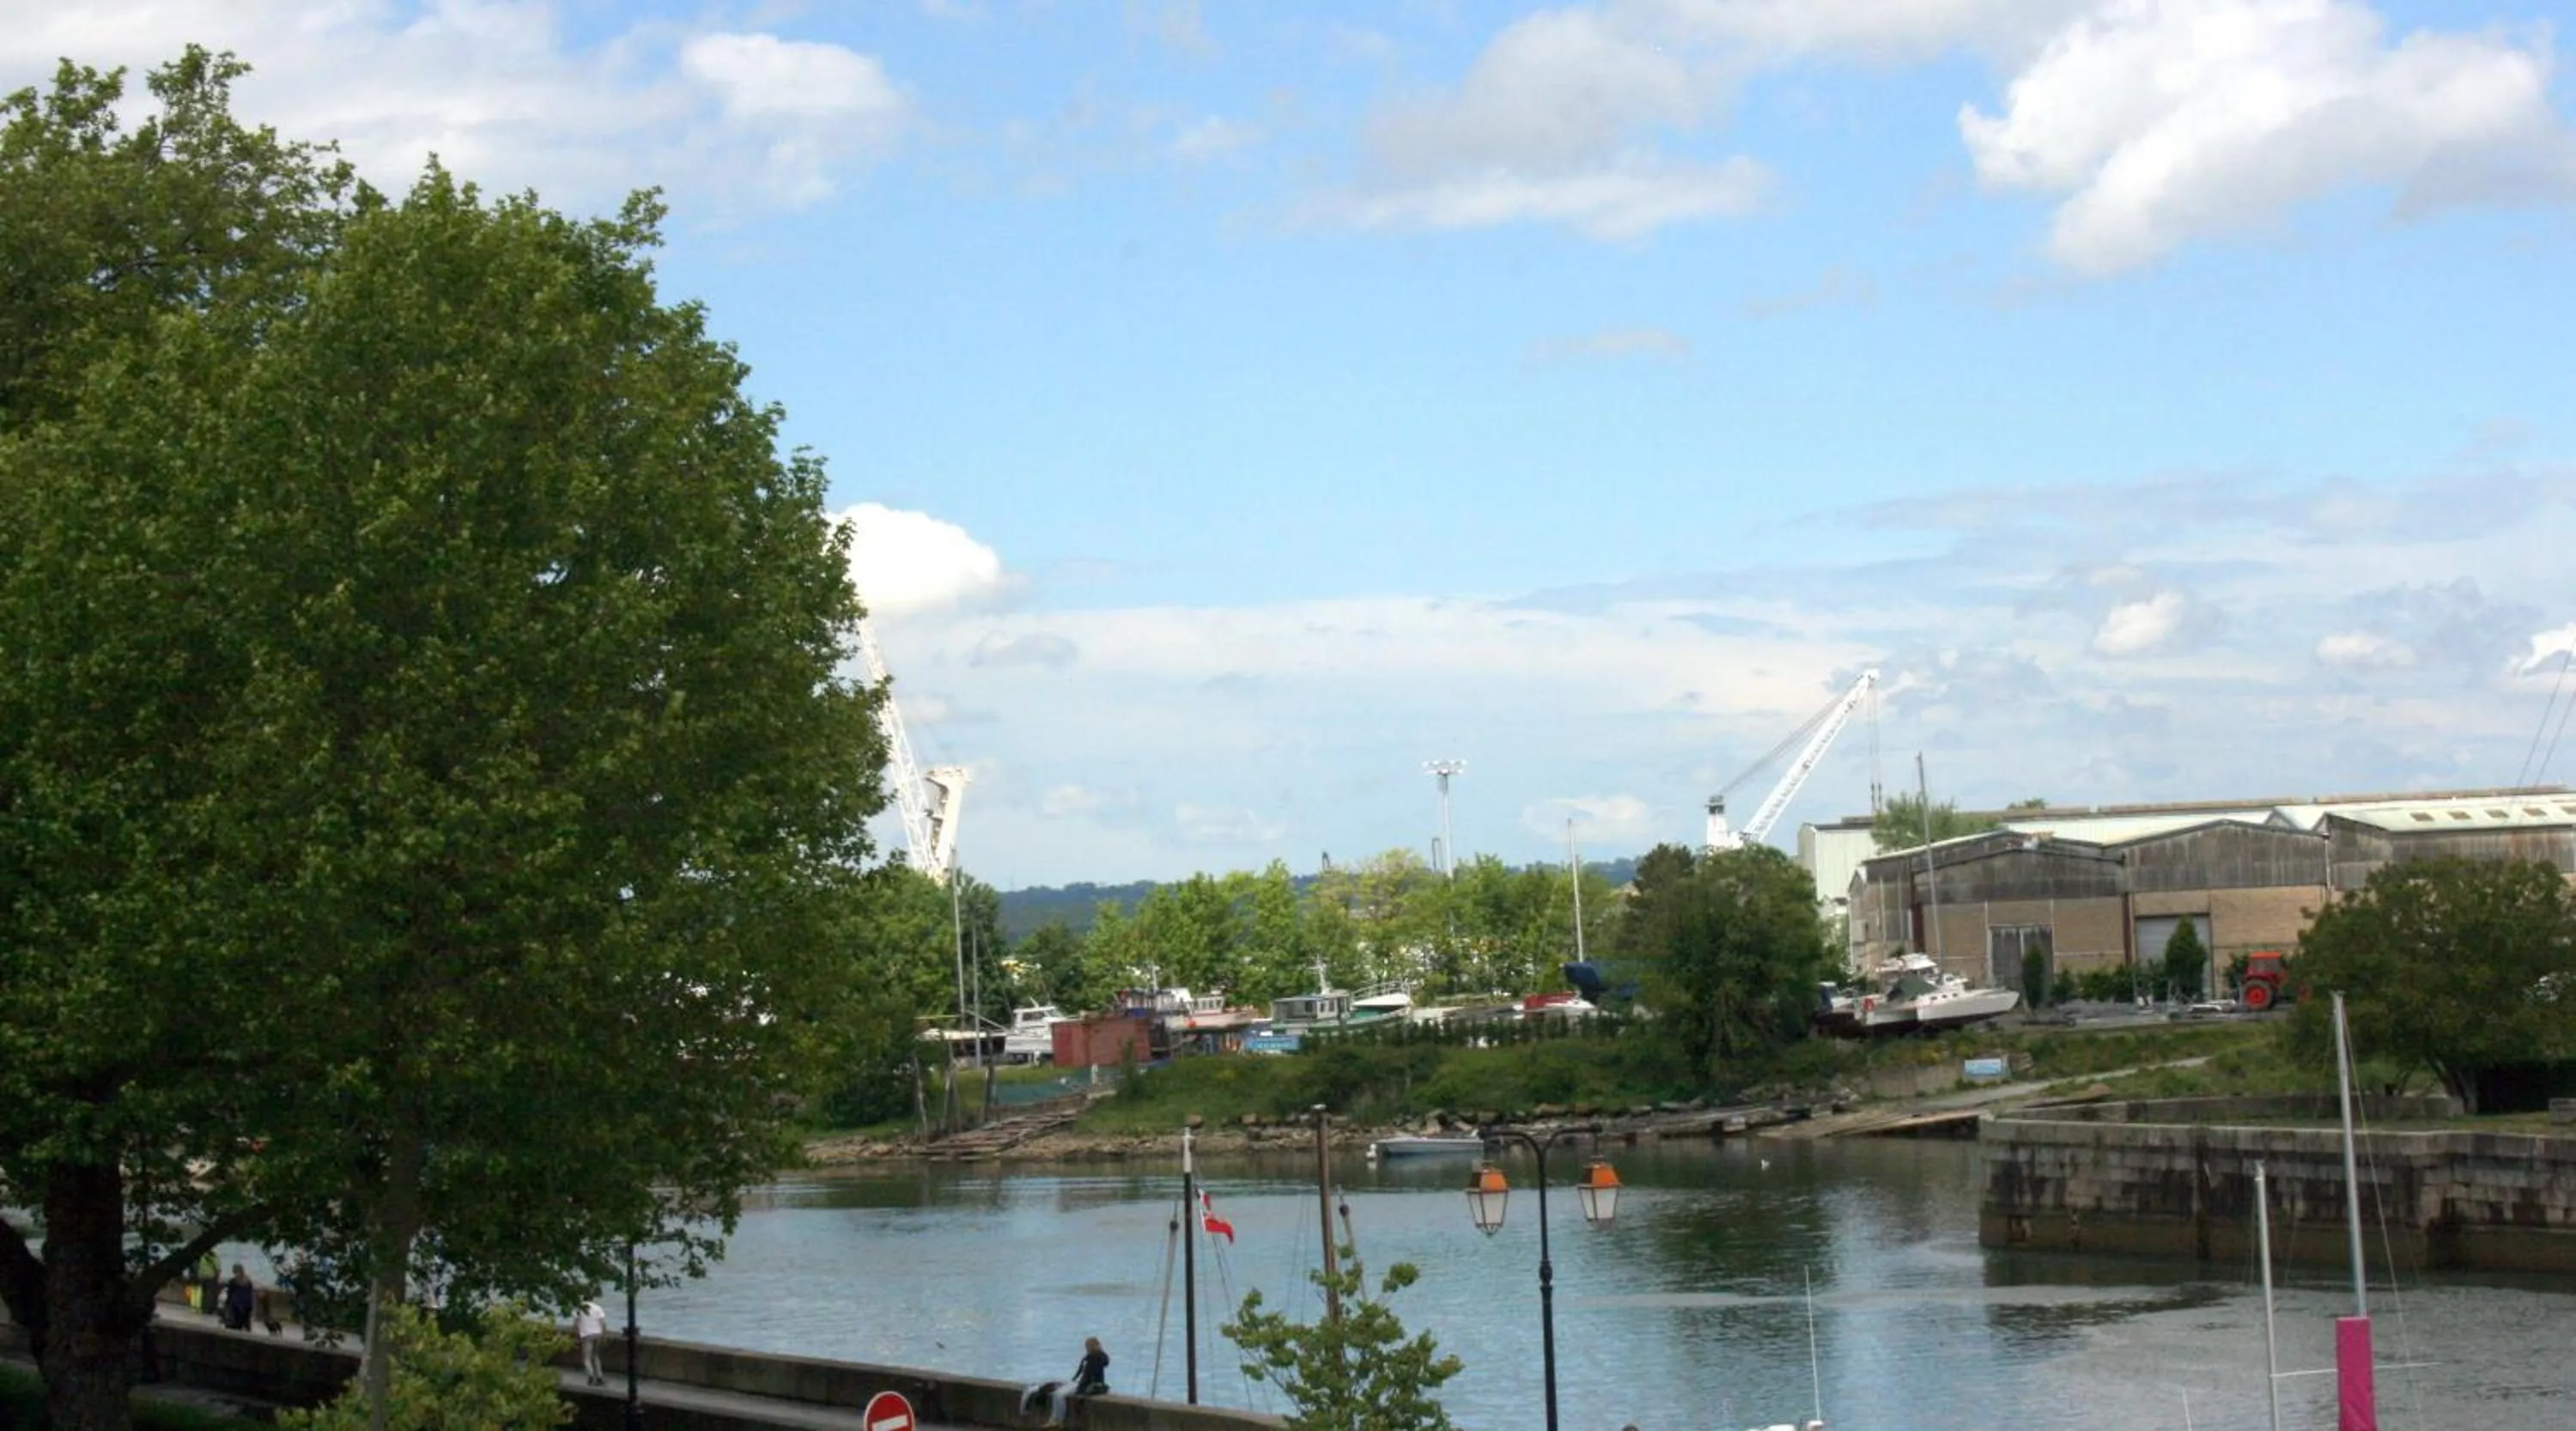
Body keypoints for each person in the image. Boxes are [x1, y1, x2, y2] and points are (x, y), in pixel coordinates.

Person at [1042, 1337, 1109, 1427]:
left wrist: (1098, 1352)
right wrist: (1073, 1380)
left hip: (1084, 1385)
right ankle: (1054, 1419)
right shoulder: (1087, 1358)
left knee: (1058, 1395)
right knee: (1056, 1391)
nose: (1087, 1349)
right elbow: (1080, 1373)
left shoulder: (1098, 1358)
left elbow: (1103, 1363)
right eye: (1087, 1346)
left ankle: (1058, 1420)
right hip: (1079, 1382)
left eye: (1089, 1346)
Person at [574, 1299, 610, 1386]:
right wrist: (604, 1335)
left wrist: (577, 1335)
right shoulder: (597, 1308)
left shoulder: (579, 1309)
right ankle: (600, 1377)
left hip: (586, 1335)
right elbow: (603, 1324)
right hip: (597, 1334)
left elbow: (576, 1323)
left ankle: (591, 1376)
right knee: (596, 1356)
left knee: (587, 1358)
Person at [222, 1265, 255, 1331]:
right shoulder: (248, 1282)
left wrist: (226, 1305)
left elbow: (229, 1295)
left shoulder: (233, 1282)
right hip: (246, 1306)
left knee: (234, 1326)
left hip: (236, 1307)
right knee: (246, 1325)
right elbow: (250, 1295)